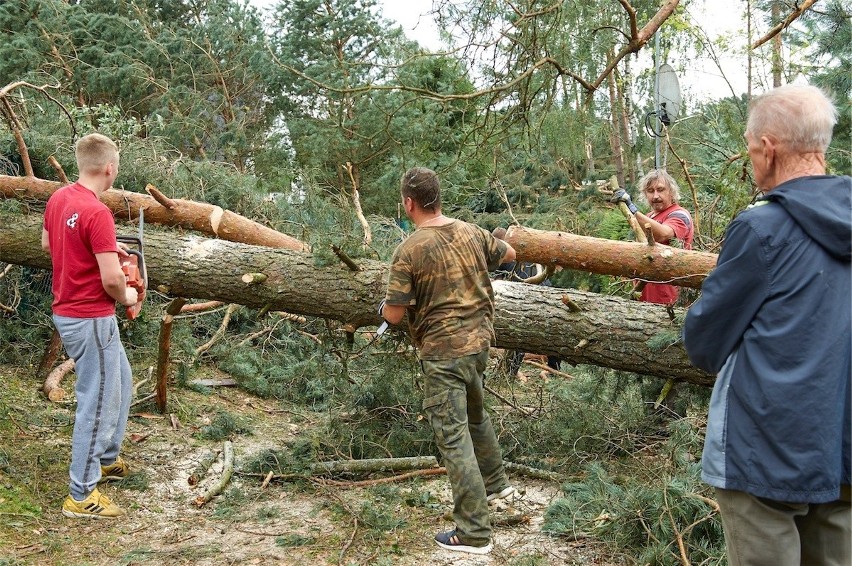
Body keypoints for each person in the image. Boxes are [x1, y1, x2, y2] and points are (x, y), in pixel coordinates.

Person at [682, 84, 850, 565]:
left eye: (752, 148)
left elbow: (705, 341)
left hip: (765, 449)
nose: (752, 159)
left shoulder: (763, 229)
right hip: (843, 444)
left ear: (769, 148)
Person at [380, 167, 516, 555]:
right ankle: (497, 484)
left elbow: (393, 315)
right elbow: (509, 254)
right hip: (479, 344)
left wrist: (384, 306)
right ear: (437, 197)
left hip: (443, 354)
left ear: (409, 202)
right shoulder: (472, 232)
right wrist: (500, 240)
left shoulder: (409, 249)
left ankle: (473, 534)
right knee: (476, 416)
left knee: (454, 439)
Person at [42, 133, 139, 519]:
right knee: (97, 402)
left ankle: (106, 458)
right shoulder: (99, 213)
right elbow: (113, 282)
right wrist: (128, 297)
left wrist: (103, 250)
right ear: (110, 168)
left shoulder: (58, 198)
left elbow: (51, 245)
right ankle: (81, 495)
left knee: (122, 380)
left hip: (69, 312)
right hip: (90, 317)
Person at [610, 170, 694, 304]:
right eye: (650, 191)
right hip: (644, 295)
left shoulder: (679, 214)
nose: (655, 196)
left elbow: (663, 234)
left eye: (660, 190)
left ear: (671, 192)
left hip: (669, 299)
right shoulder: (649, 217)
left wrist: (633, 209)